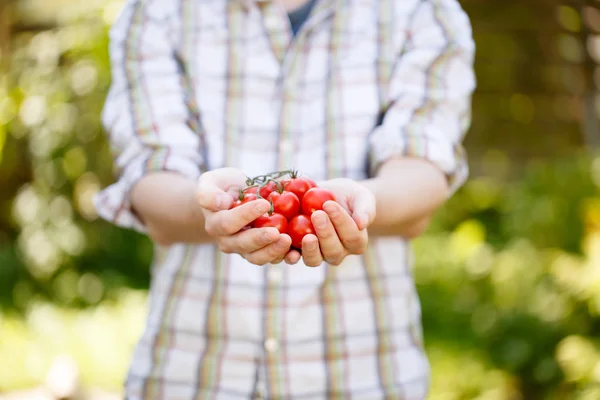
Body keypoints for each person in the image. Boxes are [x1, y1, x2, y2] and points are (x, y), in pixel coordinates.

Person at [95, 0, 476, 398]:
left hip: (363, 374)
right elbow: (150, 176)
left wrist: (364, 202)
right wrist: (211, 206)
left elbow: (423, 169)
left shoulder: (420, 10)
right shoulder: (159, 10)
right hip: (192, 376)